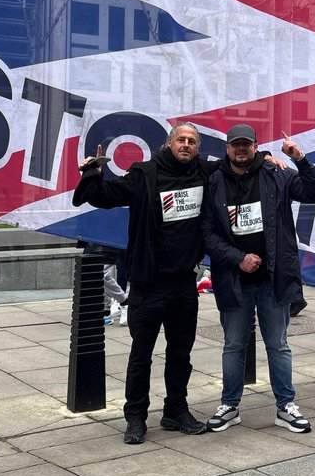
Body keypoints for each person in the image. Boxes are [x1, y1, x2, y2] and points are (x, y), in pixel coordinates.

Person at [72, 123, 212, 443]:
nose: (186, 145)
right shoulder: (144, 174)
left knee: (180, 353)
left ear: (197, 147)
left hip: (183, 284)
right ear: (169, 143)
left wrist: (268, 158)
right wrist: (93, 172)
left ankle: (176, 410)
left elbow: (239, 168)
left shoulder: (205, 172)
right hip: (149, 283)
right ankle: (135, 416)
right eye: (181, 139)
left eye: (192, 141)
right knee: (141, 354)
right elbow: (105, 196)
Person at [202, 123, 315, 433]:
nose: (241, 149)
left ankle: (285, 406)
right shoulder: (213, 180)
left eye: (246, 144)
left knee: (278, 345)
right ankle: (229, 406)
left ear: (256, 146)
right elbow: (205, 232)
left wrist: (300, 158)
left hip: (274, 277)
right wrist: (238, 259)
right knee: (233, 345)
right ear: (227, 148)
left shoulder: (277, 173)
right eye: (235, 145)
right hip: (233, 277)